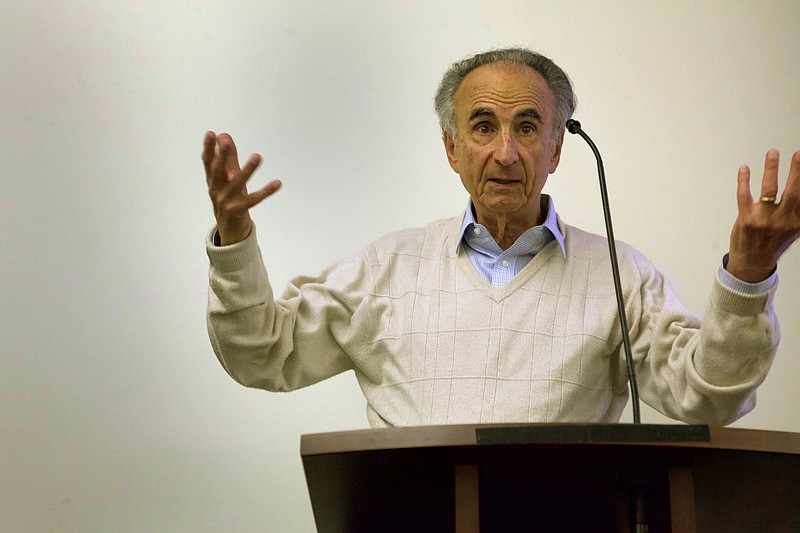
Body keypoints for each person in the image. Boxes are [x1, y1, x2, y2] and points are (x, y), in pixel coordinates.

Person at [203, 48, 798, 428]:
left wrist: (747, 276)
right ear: (451, 149)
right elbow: (264, 354)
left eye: (528, 127)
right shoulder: (383, 270)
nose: (506, 152)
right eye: (483, 127)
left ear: (558, 149)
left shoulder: (621, 275)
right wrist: (234, 238)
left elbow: (709, 398)